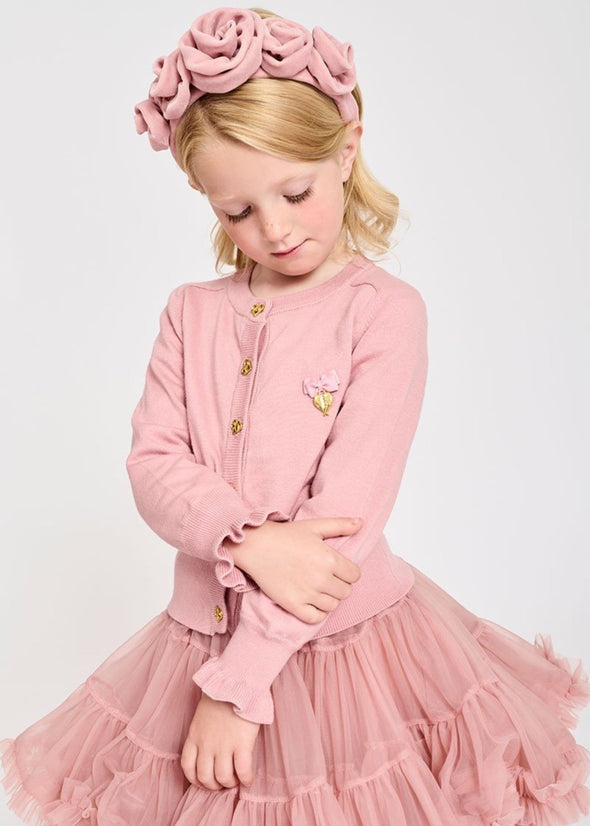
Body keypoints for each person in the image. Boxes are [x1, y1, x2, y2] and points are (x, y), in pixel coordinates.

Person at [1, 6, 590, 825]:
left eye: (295, 192)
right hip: (194, 640)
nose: (272, 229)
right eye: (236, 211)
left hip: (346, 649)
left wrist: (239, 686)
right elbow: (153, 464)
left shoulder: (384, 313)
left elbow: (345, 518)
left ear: (345, 150)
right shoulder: (190, 312)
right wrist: (246, 539)